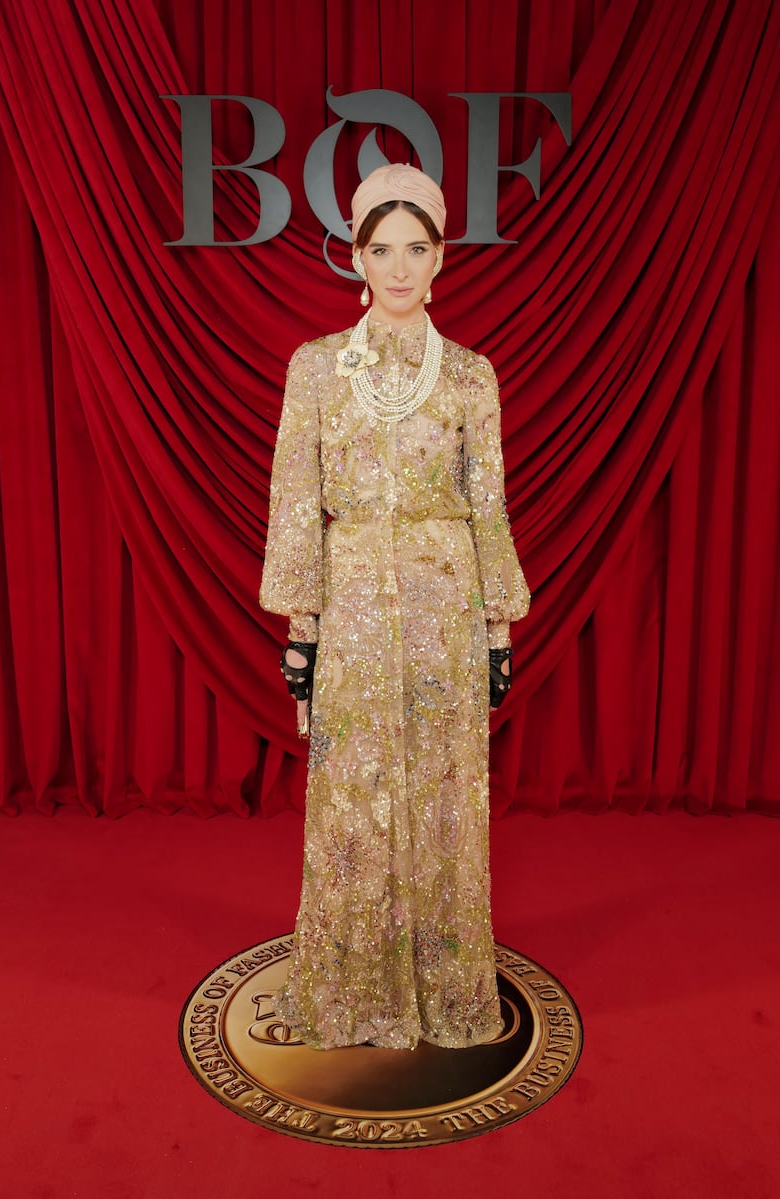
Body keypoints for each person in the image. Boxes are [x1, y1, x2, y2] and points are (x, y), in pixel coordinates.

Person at [259, 164, 530, 1050]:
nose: (401, 267)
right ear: (355, 254)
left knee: (447, 799)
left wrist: (496, 628)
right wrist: (303, 630)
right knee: (352, 798)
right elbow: (298, 500)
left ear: (442, 255)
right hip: (353, 616)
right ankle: (353, 994)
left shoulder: (469, 375)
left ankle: (446, 990)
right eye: (383, 248)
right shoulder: (317, 369)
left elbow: (486, 503)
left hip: (445, 606)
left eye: (418, 247)